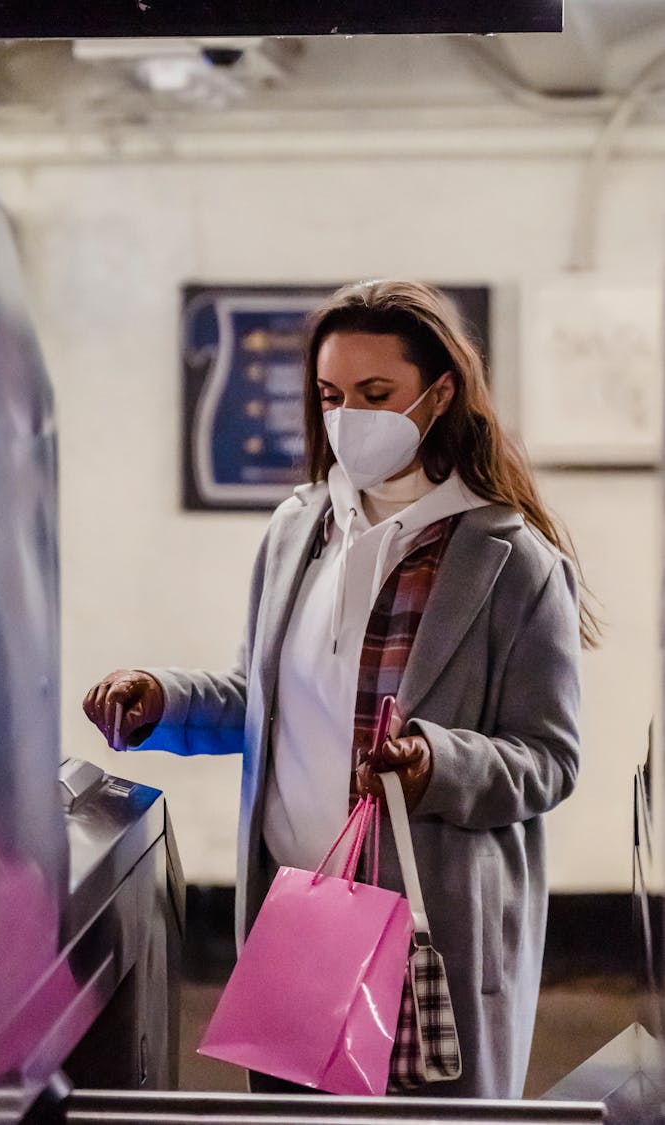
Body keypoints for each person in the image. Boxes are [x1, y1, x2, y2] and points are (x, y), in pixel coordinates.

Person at [83, 280, 595, 1100]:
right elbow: (265, 699)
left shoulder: (511, 562)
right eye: (330, 395)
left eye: (376, 394)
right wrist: (163, 698)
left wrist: (435, 761)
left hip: (428, 931)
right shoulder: (301, 528)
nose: (349, 415)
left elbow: (549, 759)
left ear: (441, 393)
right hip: (301, 921)